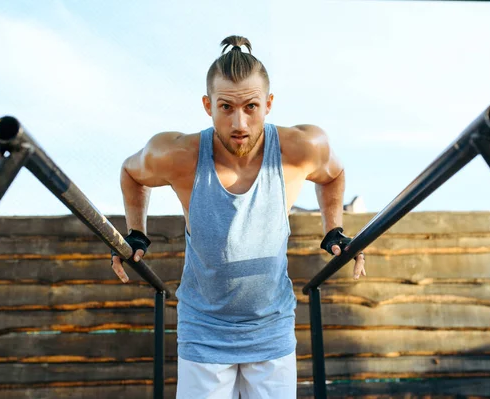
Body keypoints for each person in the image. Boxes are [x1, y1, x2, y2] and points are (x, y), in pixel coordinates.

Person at [111, 35, 366, 399]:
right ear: (207, 106)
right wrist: (136, 233)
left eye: (251, 106)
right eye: (226, 107)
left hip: (271, 330)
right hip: (203, 329)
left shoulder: (300, 149)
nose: (239, 122)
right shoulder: (178, 154)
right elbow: (131, 172)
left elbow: (334, 174)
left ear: (269, 104)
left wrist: (334, 229)